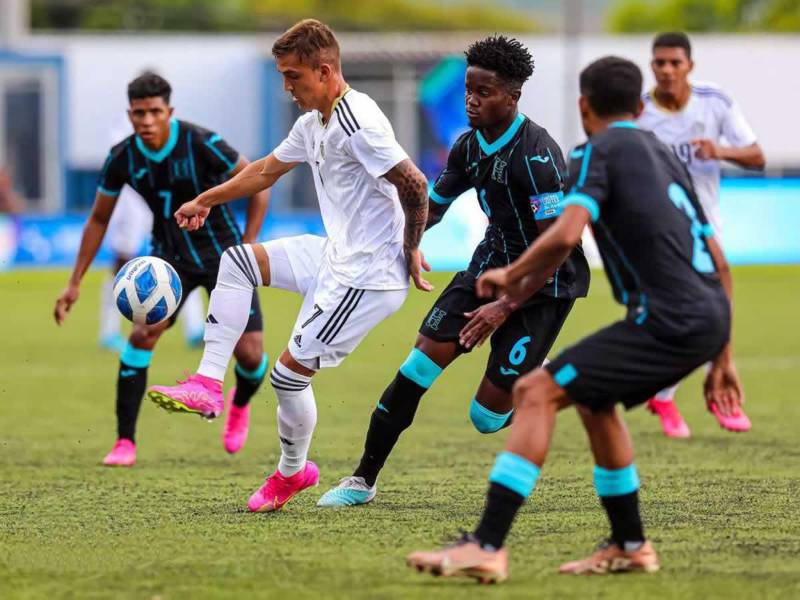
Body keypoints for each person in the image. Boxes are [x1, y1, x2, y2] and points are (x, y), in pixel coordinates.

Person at [406, 56, 743, 583]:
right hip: (705, 317)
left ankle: (486, 544)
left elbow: (565, 236)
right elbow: (718, 259)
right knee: (594, 400)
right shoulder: (664, 156)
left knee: (536, 391)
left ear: (584, 106)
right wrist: (722, 353)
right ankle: (630, 544)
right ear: (640, 107)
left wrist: (509, 275)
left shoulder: (593, 154)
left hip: (666, 321)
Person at [147, 19, 430, 513]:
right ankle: (208, 384)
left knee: (287, 378)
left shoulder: (356, 120)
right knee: (235, 262)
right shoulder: (312, 123)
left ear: (324, 71)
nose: (287, 87)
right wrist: (205, 200)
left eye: (293, 76)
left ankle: (292, 472)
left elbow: (414, 184)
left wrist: (409, 248)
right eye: (282, 75)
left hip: (368, 277)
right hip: (334, 254)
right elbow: (262, 171)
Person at [317, 35, 589, 508]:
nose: (471, 100)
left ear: (513, 97)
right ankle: (362, 480)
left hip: (544, 286)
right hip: (488, 269)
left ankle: (546, 378)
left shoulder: (538, 158)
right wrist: (400, 245)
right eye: (469, 89)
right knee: (417, 365)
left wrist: (503, 308)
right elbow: (430, 207)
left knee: (485, 419)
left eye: (484, 92)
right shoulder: (467, 147)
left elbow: (554, 248)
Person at [54, 73, 269, 467]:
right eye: (139, 113)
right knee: (142, 334)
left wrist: (249, 245)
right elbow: (98, 219)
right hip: (168, 259)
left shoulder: (201, 142)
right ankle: (125, 443)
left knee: (251, 355)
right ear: (130, 114)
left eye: (155, 111)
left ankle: (238, 403)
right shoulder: (123, 157)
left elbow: (259, 181)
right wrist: (74, 283)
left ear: (169, 111)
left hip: (226, 256)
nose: (147, 120)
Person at [638, 32, 763, 437]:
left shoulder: (715, 102)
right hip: (657, 232)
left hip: (706, 227)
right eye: (660, 63)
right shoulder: (638, 110)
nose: (667, 70)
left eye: (675, 62)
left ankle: (671, 393)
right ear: (652, 66)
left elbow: (757, 156)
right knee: (694, 315)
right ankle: (711, 393)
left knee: (708, 314)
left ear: (690, 65)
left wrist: (720, 151)